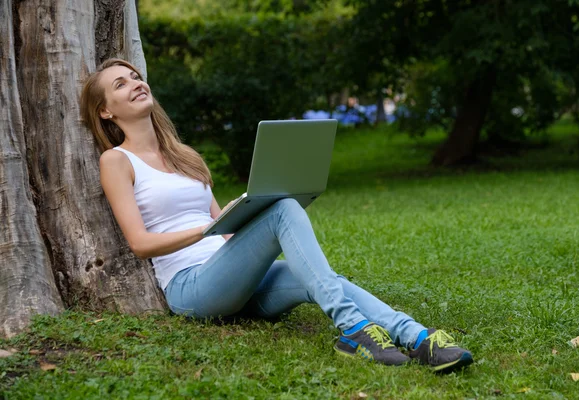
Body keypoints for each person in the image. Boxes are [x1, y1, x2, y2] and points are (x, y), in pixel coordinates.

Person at [80, 58, 473, 373]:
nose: (135, 82)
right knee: (283, 209)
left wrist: (254, 217)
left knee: (319, 277)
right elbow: (139, 243)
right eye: (120, 84)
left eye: (135, 76)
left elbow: (225, 229)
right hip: (193, 288)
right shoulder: (116, 161)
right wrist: (207, 231)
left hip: (234, 277)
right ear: (105, 112)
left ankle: (420, 339)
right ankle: (353, 331)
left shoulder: (186, 157)